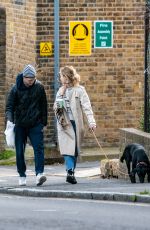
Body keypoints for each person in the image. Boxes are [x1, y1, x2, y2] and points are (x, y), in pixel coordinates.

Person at [5, 64, 47, 186]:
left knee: (39, 148)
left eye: (32, 79)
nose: (30, 81)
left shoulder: (39, 87)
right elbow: (9, 107)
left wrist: (43, 123)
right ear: (23, 77)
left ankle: (39, 174)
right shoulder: (15, 89)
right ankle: (22, 175)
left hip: (35, 124)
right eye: (28, 79)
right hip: (20, 124)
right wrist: (10, 121)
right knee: (19, 151)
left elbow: (43, 106)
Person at [54, 66, 96, 184]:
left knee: (74, 150)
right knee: (67, 149)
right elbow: (56, 108)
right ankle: (70, 171)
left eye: (61, 76)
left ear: (66, 77)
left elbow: (87, 107)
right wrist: (61, 95)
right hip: (64, 124)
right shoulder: (60, 91)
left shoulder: (80, 90)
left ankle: (71, 171)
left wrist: (92, 122)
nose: (60, 78)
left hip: (76, 124)